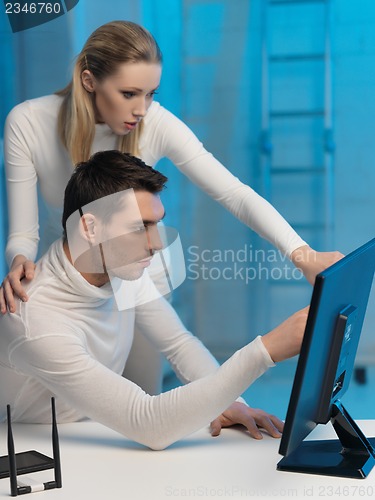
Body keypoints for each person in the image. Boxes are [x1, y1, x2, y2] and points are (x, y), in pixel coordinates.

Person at [0, 20, 340, 393]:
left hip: (137, 276)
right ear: (88, 80)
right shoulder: (29, 122)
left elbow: (233, 192)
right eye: (129, 93)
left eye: (150, 94)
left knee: (144, 399)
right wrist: (19, 259)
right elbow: (22, 233)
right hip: (73, 282)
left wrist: (301, 254)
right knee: (75, 408)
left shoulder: (155, 123)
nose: (142, 109)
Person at [0, 150, 308, 450]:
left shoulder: (116, 266)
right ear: (90, 228)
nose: (157, 243)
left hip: (93, 440)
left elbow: (179, 344)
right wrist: (266, 350)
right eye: (140, 227)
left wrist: (231, 403)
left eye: (156, 223)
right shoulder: (34, 320)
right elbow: (148, 423)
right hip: (36, 456)